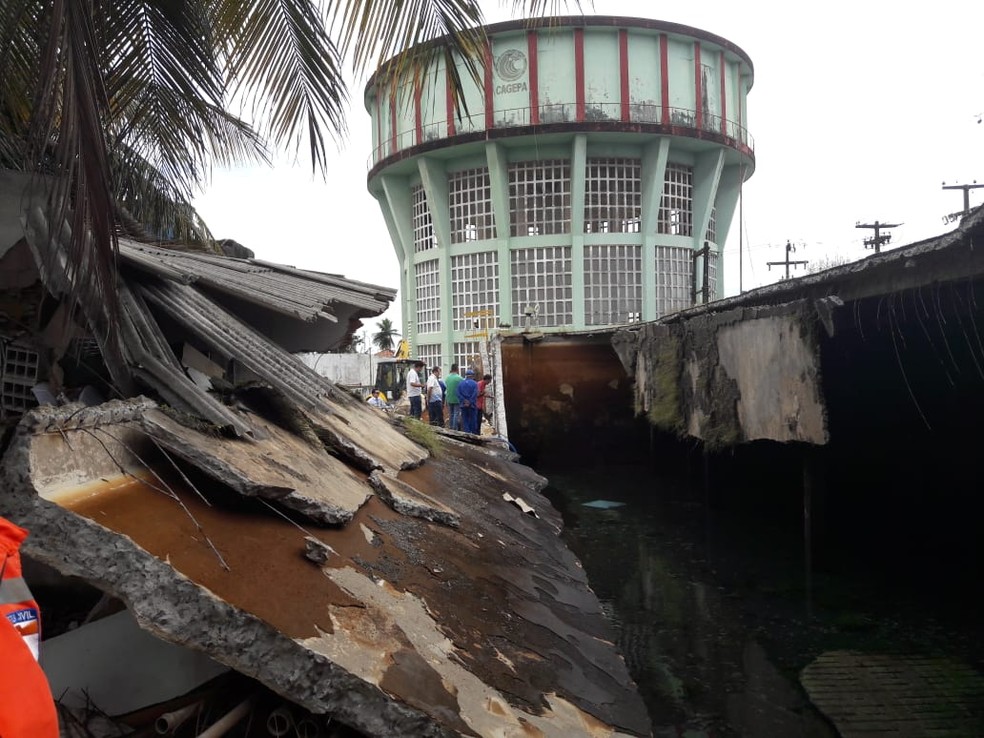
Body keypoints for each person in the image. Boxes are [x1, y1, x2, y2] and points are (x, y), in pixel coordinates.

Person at [458, 368, 479, 434]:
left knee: (465, 420)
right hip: (472, 405)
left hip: (463, 405)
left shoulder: (460, 383)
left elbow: (458, 393)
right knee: (473, 420)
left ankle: (467, 434)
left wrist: (464, 401)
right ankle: (473, 435)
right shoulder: (475, 384)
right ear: (472, 376)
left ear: (466, 375)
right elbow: (475, 394)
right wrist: (469, 402)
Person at [444, 364, 463, 430]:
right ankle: (455, 428)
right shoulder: (459, 378)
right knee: (456, 414)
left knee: (451, 414)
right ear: (457, 369)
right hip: (457, 399)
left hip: (449, 398)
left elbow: (446, 388)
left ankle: (451, 427)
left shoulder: (447, 378)